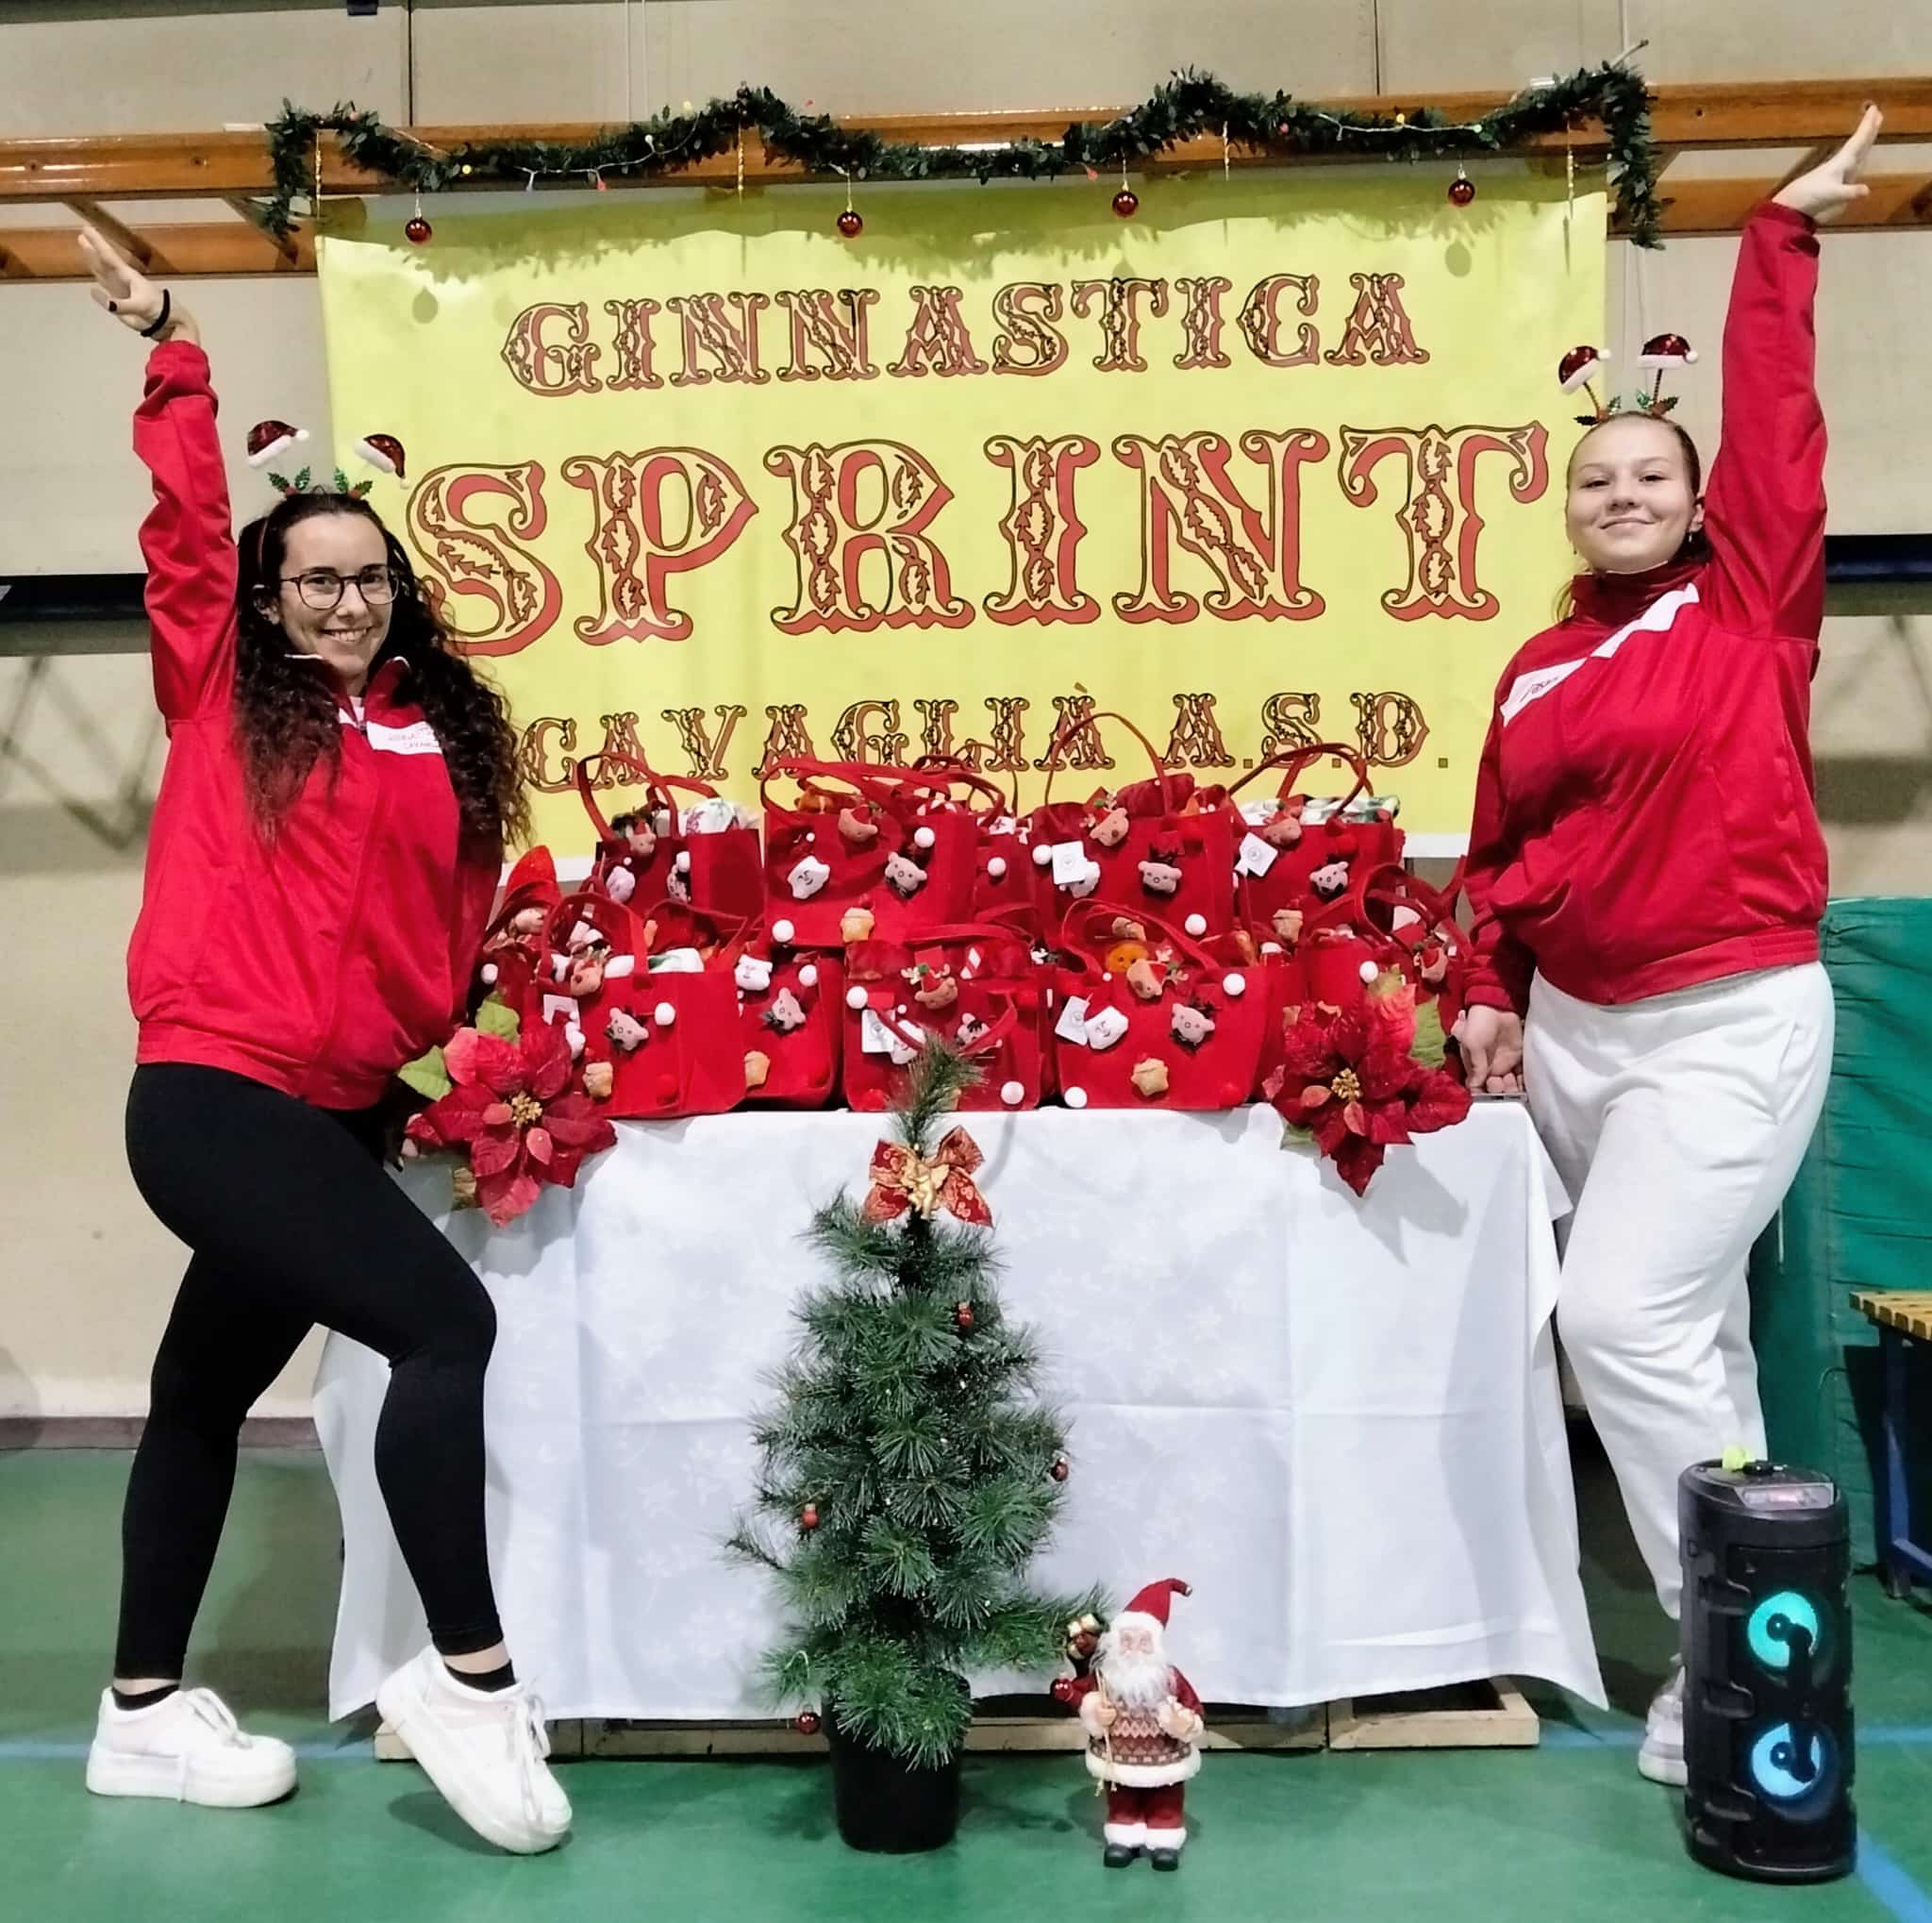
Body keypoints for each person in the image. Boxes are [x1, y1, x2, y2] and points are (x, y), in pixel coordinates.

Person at [75, 227, 570, 1854]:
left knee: (201, 1391)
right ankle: (468, 1679)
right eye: (316, 579)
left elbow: (443, 941)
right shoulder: (223, 685)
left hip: (337, 1113)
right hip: (216, 1096)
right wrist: (173, 351)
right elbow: (188, 536)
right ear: (273, 598)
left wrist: (461, 1054)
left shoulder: (433, 735)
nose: (344, 600)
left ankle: (140, 1709)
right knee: (443, 1331)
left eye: (368, 577)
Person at [1457, 109, 1883, 1787]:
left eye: (1651, 476)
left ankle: (1727, 1643)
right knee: (1686, 1340)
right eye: (1593, 480)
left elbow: (1781, 431)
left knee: (1616, 1319)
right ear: (1565, 507)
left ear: (1700, 502)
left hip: (1727, 1021)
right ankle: (1766, 1657)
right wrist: (1490, 1005)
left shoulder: (1749, 610)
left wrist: (1772, 247)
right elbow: (1495, 865)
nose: (1620, 495)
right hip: (1575, 1034)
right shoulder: (1531, 670)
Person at [1058, 1580, 1204, 1871]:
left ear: (1156, 1645)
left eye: (1143, 1641)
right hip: (1118, 1760)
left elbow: (1194, 1708)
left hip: (1165, 1759)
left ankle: (1164, 1842)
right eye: (1127, 1640)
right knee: (1121, 1799)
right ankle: (1123, 1839)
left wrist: (1183, 1723)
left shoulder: (1170, 1679)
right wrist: (1091, 1710)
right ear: (1115, 1642)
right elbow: (1082, 1694)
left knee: (1166, 1799)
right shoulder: (1104, 1674)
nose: (1134, 1648)